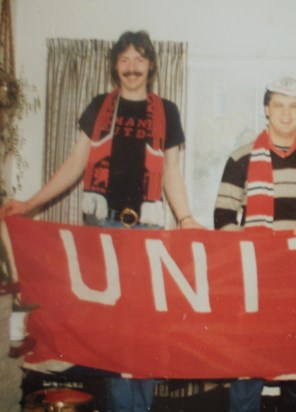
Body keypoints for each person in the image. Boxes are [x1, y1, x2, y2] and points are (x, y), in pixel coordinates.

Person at [0, 30, 201, 411]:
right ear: (114, 66)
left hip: (147, 233)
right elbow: (75, 165)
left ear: (152, 65)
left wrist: (187, 217)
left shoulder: (167, 111)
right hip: (101, 232)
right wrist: (29, 204)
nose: (132, 67)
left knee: (144, 330)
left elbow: (172, 173)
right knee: (112, 332)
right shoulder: (98, 106)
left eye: (139, 59)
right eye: (124, 59)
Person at [214, 76, 296, 412]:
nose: (286, 113)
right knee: (247, 369)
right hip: (258, 282)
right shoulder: (240, 157)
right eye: (279, 105)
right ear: (266, 110)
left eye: (294, 106)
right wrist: (253, 249)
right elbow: (223, 217)